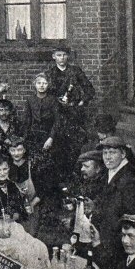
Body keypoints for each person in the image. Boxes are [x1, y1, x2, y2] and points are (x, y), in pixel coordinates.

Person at [46, 44, 95, 179]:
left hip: (74, 115)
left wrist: (81, 102)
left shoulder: (75, 71)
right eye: (59, 55)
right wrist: (56, 102)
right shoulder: (49, 74)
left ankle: (75, 177)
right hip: (57, 115)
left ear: (68, 56)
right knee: (58, 147)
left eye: (64, 55)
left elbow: (90, 90)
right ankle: (60, 180)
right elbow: (46, 95)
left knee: (75, 146)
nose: (62, 58)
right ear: (54, 57)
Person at [93, 136, 135, 254]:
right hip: (106, 236)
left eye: (112, 152)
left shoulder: (130, 179)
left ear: (123, 154)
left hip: (118, 241)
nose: (107, 157)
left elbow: (132, 214)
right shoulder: (110, 172)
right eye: (105, 153)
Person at [7, 136, 42, 236]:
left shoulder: (31, 166)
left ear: (24, 150)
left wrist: (33, 203)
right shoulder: (7, 167)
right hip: (13, 210)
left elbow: (42, 189)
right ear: (9, 151)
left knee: (30, 237)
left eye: (19, 150)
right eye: (13, 150)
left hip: (31, 208)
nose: (16, 153)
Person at [22, 72, 59, 154]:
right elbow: (27, 120)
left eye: (44, 83)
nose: (41, 86)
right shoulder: (30, 100)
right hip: (33, 136)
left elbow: (57, 121)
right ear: (35, 84)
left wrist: (51, 138)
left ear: (48, 85)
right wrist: (25, 138)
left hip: (48, 136)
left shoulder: (53, 100)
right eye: (39, 83)